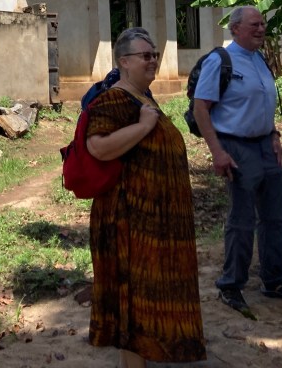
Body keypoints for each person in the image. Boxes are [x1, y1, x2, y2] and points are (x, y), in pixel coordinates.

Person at [85, 28, 206, 367]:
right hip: (130, 223)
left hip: (154, 224)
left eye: (154, 55)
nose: (153, 60)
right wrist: (142, 127)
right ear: (124, 61)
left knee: (145, 299)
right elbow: (98, 147)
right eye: (145, 56)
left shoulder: (143, 98)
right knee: (133, 300)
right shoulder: (114, 100)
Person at [192, 5, 282, 316]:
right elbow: (201, 108)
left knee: (276, 216)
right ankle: (231, 284)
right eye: (254, 24)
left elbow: (262, 103)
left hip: (265, 145)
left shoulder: (259, 58)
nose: (261, 29)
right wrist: (217, 152)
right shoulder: (220, 61)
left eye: (262, 24)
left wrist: (274, 133)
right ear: (235, 29)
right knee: (242, 219)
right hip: (236, 147)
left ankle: (274, 280)